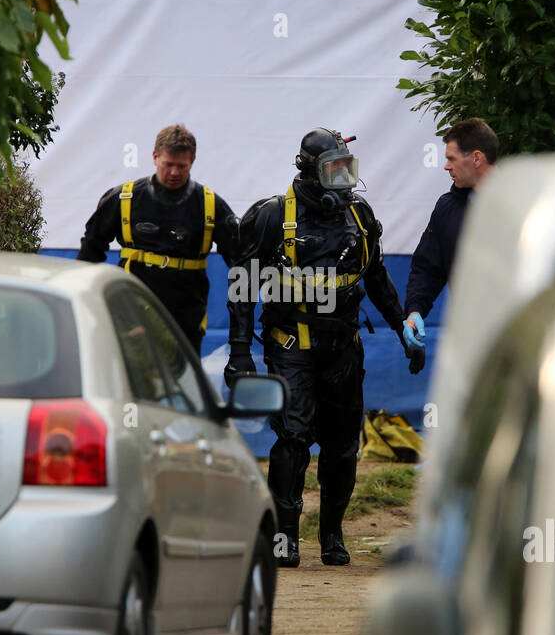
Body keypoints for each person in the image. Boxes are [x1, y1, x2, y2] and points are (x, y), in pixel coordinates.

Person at [226, 128, 423, 568]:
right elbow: (242, 288)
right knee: (293, 439)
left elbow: (376, 279)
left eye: (346, 168)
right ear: (309, 169)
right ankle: (285, 536)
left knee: (343, 446)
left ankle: (332, 533)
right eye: (333, 169)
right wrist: (240, 353)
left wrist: (402, 329)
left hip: (343, 349)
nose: (344, 178)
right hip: (292, 345)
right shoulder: (272, 217)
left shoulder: (358, 216)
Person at [77, 124, 239, 354]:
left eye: (181, 166)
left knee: (181, 382)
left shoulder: (211, 206)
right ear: (155, 157)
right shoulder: (123, 198)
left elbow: (239, 260)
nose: (174, 173)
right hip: (132, 312)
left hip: (186, 318)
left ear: (192, 161)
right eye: (168, 164)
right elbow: (89, 252)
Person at [402, 117, 499, 351]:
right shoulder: (447, 208)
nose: (446, 166)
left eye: (451, 159)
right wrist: (415, 311)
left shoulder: (525, 204)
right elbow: (427, 268)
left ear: (476, 158)